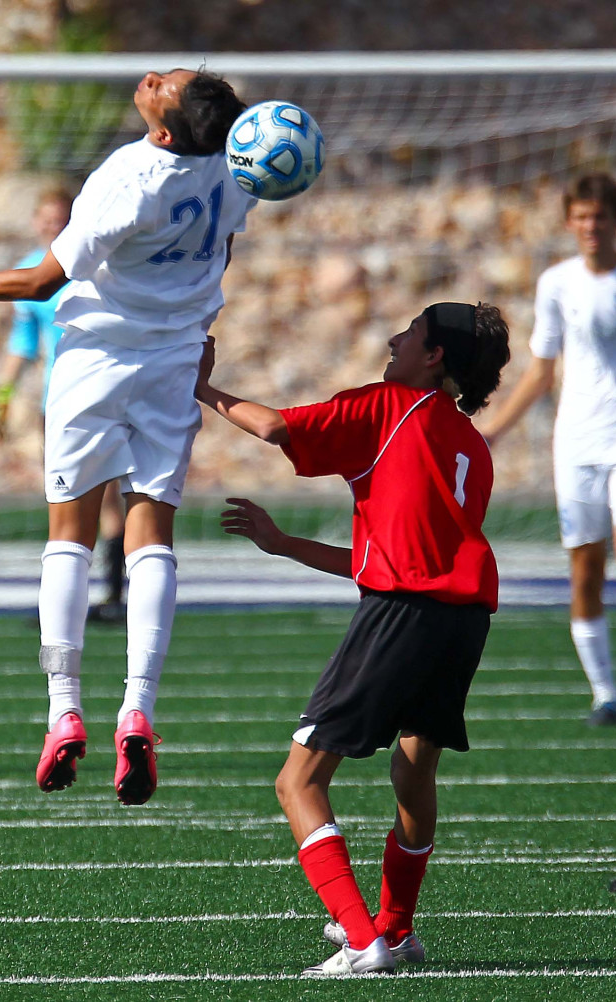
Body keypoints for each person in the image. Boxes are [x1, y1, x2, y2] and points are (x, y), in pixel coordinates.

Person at [0, 68, 255, 805]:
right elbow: (228, 245)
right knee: (152, 538)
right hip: (174, 360)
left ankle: (62, 708)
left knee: (69, 540)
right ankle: (139, 706)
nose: (151, 80)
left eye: (164, 87)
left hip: (95, 362)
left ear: (167, 129)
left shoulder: (132, 180)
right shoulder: (239, 168)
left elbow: (41, 284)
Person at [195, 303, 511, 976]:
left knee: (297, 781)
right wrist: (285, 545)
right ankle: (396, 931)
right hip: (463, 617)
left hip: (405, 612)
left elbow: (278, 426)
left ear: (433, 357)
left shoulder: (390, 404)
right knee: (413, 770)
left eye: (411, 333)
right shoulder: (467, 442)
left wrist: (204, 390)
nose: (394, 339)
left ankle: (362, 938)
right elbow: (396, 553)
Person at [480, 173, 616, 728]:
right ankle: (603, 694)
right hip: (577, 441)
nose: (590, 226)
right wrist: (495, 429)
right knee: (585, 569)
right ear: (569, 222)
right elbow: (541, 371)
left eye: (599, 216)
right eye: (580, 217)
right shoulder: (557, 283)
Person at [0, 183, 127, 620]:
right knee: (63, 494)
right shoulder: (29, 271)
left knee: (106, 495)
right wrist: (5, 394)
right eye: (46, 219)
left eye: (60, 219)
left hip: (101, 395)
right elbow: (24, 342)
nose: (52, 226)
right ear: (35, 222)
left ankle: (112, 595)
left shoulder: (96, 267)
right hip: (57, 401)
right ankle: (68, 597)